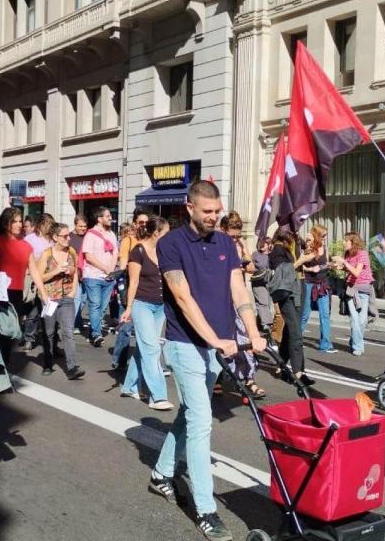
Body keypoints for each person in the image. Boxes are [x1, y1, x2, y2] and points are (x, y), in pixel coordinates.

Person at [148, 181, 265, 541]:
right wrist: (213, 338)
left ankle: (160, 474)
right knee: (201, 422)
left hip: (220, 346)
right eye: (207, 212)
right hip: (186, 345)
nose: (214, 217)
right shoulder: (171, 244)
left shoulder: (226, 243)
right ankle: (206, 510)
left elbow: (237, 288)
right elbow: (182, 297)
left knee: (189, 415)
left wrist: (253, 330)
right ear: (190, 208)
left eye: (217, 211)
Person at [119, 216, 172, 409]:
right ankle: (158, 396)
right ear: (156, 232)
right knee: (151, 348)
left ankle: (129, 386)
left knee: (145, 347)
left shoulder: (164, 251)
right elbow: (133, 282)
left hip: (160, 306)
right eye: (166, 233)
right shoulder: (138, 251)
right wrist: (129, 308)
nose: (169, 236)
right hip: (142, 305)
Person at [0, 207, 49, 364]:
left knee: (11, 332)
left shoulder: (26, 246)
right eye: (14, 221)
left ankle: (4, 365)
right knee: (0, 332)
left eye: (20, 221)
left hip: (16, 293)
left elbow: (34, 270)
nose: (18, 224)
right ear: (5, 223)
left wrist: (43, 292)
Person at [218, 212, 266, 398]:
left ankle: (250, 379)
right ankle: (219, 378)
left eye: (238, 235)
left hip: (239, 299)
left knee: (245, 338)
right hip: (222, 299)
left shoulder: (238, 245)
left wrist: (244, 250)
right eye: (232, 236)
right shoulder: (216, 246)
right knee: (224, 339)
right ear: (222, 230)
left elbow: (252, 269)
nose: (235, 239)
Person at [37, 223, 85, 379]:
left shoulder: (71, 251)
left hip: (66, 298)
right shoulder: (47, 254)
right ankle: (48, 363)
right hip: (49, 298)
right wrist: (56, 271)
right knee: (49, 333)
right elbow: (39, 277)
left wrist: (73, 290)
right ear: (55, 237)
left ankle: (72, 367)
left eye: (68, 235)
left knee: (68, 332)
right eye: (64, 236)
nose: (68, 238)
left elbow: (76, 271)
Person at [267, 229, 315, 386]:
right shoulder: (277, 249)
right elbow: (283, 272)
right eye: (294, 232)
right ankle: (298, 372)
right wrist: (301, 260)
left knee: (290, 330)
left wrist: (307, 254)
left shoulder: (293, 245)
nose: (297, 233)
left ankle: (281, 366)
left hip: (298, 287)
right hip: (286, 291)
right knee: (296, 331)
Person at [113, 211, 148, 369]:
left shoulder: (149, 240)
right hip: (129, 284)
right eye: (141, 222)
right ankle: (119, 360)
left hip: (146, 286)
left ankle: (144, 362)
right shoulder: (128, 240)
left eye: (146, 223)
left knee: (144, 328)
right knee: (127, 327)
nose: (144, 225)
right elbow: (123, 263)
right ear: (135, 223)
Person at [331, 232, 374, 356]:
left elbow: (356, 272)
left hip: (364, 289)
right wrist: (339, 267)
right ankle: (357, 346)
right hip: (351, 289)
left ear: (353, 242)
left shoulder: (362, 254)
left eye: (346, 240)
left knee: (362, 320)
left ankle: (354, 340)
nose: (343, 243)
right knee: (355, 319)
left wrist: (344, 262)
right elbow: (349, 270)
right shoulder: (348, 254)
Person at [81, 206, 119, 348]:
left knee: (102, 308)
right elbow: (88, 256)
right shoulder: (90, 235)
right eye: (108, 216)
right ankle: (96, 334)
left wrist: (112, 268)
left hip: (108, 277)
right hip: (93, 276)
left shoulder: (111, 234)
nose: (110, 218)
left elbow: (115, 252)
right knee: (95, 305)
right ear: (99, 219)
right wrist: (105, 268)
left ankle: (93, 330)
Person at [22, 214, 55, 352]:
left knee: (51, 312)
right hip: (33, 279)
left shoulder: (53, 240)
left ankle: (51, 341)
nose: (51, 227)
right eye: (49, 224)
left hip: (50, 280)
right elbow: (23, 258)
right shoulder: (30, 239)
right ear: (41, 225)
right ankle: (29, 338)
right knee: (33, 312)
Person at [299, 225, 333, 353]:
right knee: (305, 314)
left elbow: (327, 263)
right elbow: (300, 265)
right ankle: (297, 339)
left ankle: (325, 344)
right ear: (317, 235)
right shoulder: (308, 248)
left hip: (322, 284)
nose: (324, 238)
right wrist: (310, 269)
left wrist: (328, 265)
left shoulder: (325, 248)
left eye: (325, 236)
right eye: (323, 236)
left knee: (325, 314)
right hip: (308, 283)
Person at [250, 237, 274, 334]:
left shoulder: (272, 254)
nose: (262, 245)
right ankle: (267, 324)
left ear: (268, 244)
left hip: (269, 281)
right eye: (260, 243)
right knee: (262, 302)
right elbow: (250, 266)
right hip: (258, 280)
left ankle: (259, 325)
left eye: (264, 243)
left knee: (267, 303)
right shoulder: (256, 254)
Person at [70, 214, 89, 334]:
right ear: (75, 225)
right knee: (76, 299)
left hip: (86, 273)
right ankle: (73, 324)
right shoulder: (70, 237)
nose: (83, 228)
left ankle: (78, 319)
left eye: (85, 226)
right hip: (75, 273)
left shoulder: (88, 237)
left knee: (83, 299)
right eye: (80, 226)